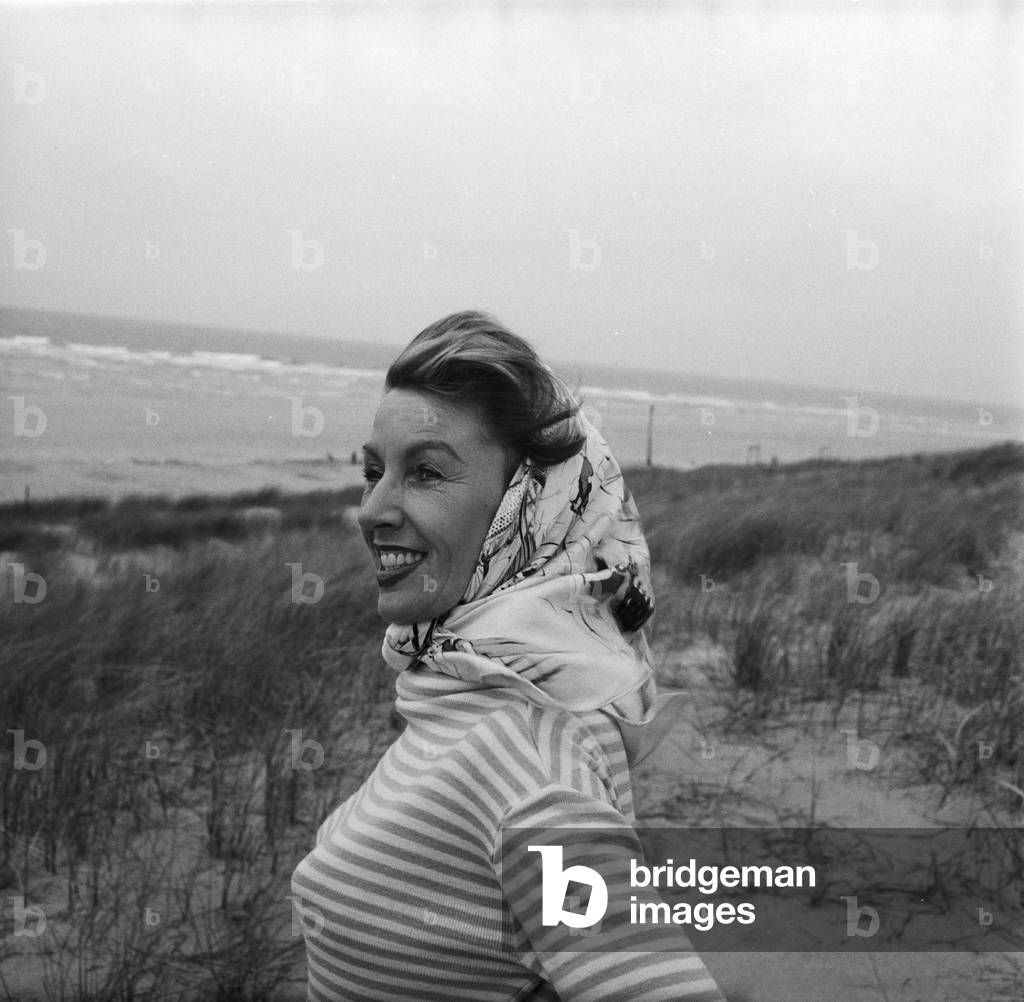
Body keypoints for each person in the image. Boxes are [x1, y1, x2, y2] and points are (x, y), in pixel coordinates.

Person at [291, 311, 726, 1001]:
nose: (372, 508)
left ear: (527, 509)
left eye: (426, 472)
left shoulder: (526, 760)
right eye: (373, 471)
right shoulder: (464, 692)